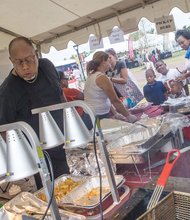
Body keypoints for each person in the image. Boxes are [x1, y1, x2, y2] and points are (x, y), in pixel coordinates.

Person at [0, 37, 69, 189]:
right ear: (12, 61)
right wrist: (25, 157)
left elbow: (60, 93)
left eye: (29, 59)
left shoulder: (47, 66)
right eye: (19, 62)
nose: (25, 67)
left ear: (36, 54)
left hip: (66, 143)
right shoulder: (7, 91)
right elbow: (4, 130)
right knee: (53, 192)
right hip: (40, 155)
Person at [84, 51, 137, 123]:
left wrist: (115, 113)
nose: (110, 64)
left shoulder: (91, 75)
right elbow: (115, 101)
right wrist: (129, 116)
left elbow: (104, 99)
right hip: (98, 116)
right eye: (108, 62)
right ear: (103, 62)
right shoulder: (102, 78)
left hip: (90, 115)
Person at [175, 29, 190, 95]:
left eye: (182, 42)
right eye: (179, 44)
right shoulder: (188, 52)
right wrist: (186, 70)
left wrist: (185, 75)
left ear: (189, 39)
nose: (181, 45)